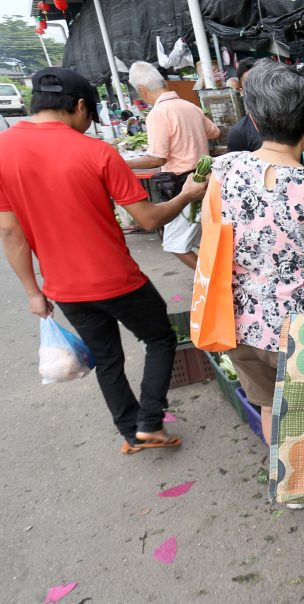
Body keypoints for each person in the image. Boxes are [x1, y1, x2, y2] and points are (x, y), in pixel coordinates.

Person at [0, 67, 207, 454]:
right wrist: (186, 196)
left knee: (108, 358)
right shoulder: (97, 151)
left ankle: (131, 433)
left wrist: (33, 292)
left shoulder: (2, 150)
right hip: (117, 279)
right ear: (80, 106)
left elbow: (10, 233)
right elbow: (147, 218)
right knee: (160, 338)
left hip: (64, 287)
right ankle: (149, 421)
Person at [212, 61, 304, 510]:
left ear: (252, 120)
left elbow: (216, 235)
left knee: (271, 407)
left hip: (240, 323)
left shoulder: (224, 170)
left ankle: (288, 481)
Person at [125, 61, 221, 270]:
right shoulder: (191, 107)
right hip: (205, 179)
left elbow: (157, 158)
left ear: (142, 89)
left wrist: (124, 162)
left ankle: (211, 283)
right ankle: (216, 280)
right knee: (201, 237)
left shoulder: (158, 113)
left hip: (183, 185)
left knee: (176, 244)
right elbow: (214, 132)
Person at [226, 58, 304, 171]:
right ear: (242, 91)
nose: (258, 91)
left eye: (263, 84)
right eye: (250, 86)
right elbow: (234, 171)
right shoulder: (239, 133)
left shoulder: (297, 120)